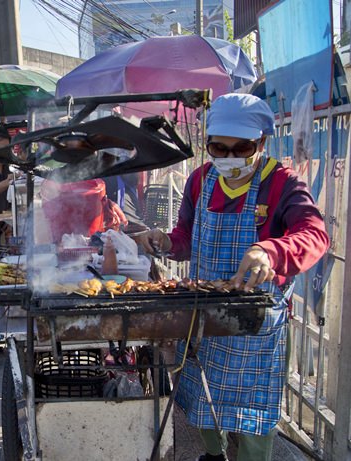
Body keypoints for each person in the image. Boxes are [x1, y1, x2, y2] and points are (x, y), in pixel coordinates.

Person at [135, 93, 329, 461]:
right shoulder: (200, 180)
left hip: (255, 323)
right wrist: (165, 241)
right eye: (218, 148)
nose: (229, 158)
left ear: (262, 142)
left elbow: (315, 235)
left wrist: (271, 251)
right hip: (204, 313)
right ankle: (214, 453)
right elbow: (185, 239)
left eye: (242, 148)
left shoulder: (282, 184)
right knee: (205, 399)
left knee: (254, 412)